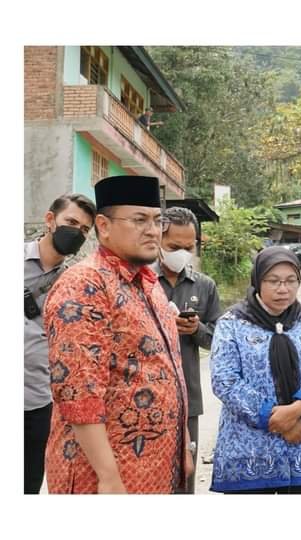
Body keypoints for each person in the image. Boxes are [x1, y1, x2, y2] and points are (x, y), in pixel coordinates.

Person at [43, 175, 193, 494]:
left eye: (157, 221)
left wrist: (183, 446)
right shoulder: (85, 284)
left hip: (155, 468)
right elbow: (78, 391)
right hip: (103, 476)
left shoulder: (148, 284)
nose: (152, 230)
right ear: (104, 226)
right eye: (139, 220)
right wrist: (108, 476)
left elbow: (169, 369)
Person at [209, 246, 301, 494]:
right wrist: (278, 419)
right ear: (257, 281)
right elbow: (225, 380)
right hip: (250, 451)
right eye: (273, 281)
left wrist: (297, 409)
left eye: (291, 281)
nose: (283, 289)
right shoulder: (232, 323)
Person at [24, 194, 96, 494]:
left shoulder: (74, 282)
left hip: (39, 401)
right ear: (50, 220)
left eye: (84, 229)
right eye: (71, 222)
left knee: (28, 484)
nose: (76, 232)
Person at [152, 206, 222, 494]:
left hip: (187, 399)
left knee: (185, 474)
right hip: (146, 398)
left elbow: (217, 339)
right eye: (173, 247)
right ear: (158, 240)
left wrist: (196, 329)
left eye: (188, 247)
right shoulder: (140, 281)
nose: (181, 253)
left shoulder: (204, 286)